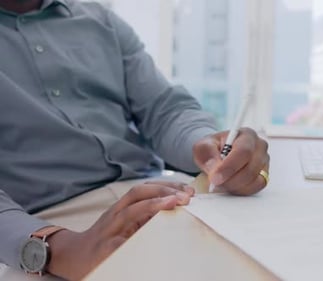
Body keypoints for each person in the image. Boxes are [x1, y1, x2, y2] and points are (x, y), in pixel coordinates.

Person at [0, 0, 270, 280]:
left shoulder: (100, 20)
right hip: (48, 223)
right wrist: (55, 248)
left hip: (159, 193)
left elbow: (164, 109)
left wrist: (208, 146)